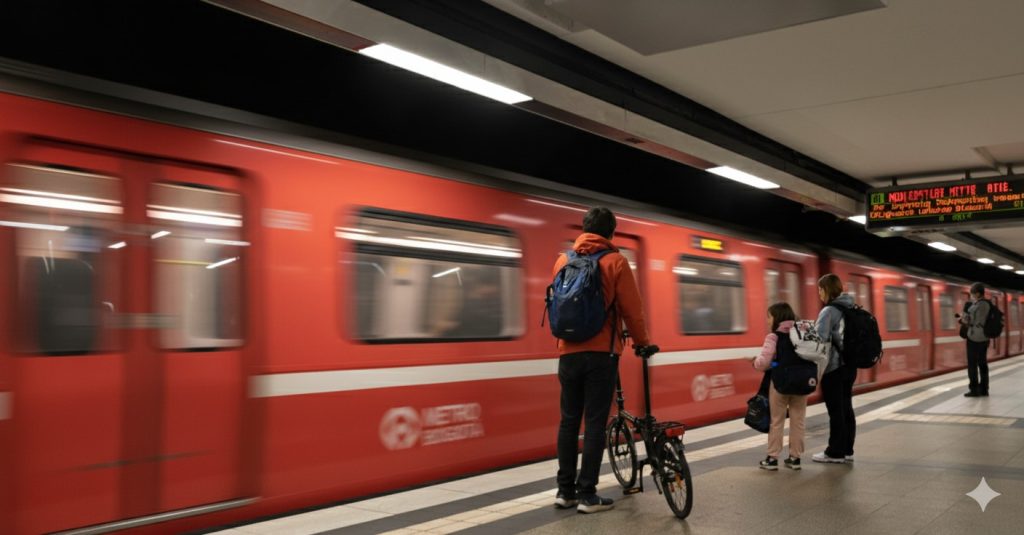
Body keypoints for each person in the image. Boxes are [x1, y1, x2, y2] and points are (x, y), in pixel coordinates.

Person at [552, 207, 651, 514]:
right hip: (601, 354)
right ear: (611, 233)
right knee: (595, 422)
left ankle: (564, 491)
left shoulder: (562, 260)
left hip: (567, 352)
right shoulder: (616, 261)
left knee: (569, 421)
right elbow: (632, 310)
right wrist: (643, 342)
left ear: (584, 229)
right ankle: (587, 495)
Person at [750, 302, 807, 470]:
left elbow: (764, 363)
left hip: (780, 384)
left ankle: (772, 458)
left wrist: (755, 362)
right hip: (802, 382)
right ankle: (795, 459)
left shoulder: (773, 337)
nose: (767, 320)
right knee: (798, 421)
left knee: (776, 421)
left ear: (777, 317)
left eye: (769, 316)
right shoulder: (802, 333)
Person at [811, 273, 857, 464]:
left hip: (834, 367)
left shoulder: (828, 311)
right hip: (850, 366)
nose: (819, 294)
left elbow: (819, 339)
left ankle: (835, 452)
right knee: (846, 407)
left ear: (825, 289)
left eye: (820, 290)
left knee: (835, 410)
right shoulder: (851, 306)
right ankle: (847, 449)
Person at [959, 282, 991, 397]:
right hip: (985, 338)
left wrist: (962, 319)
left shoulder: (975, 305)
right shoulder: (989, 304)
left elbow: (968, 320)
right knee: (983, 363)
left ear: (977, 293)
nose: (971, 296)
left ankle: (974, 389)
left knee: (972, 364)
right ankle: (984, 389)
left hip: (973, 338)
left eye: (972, 294)